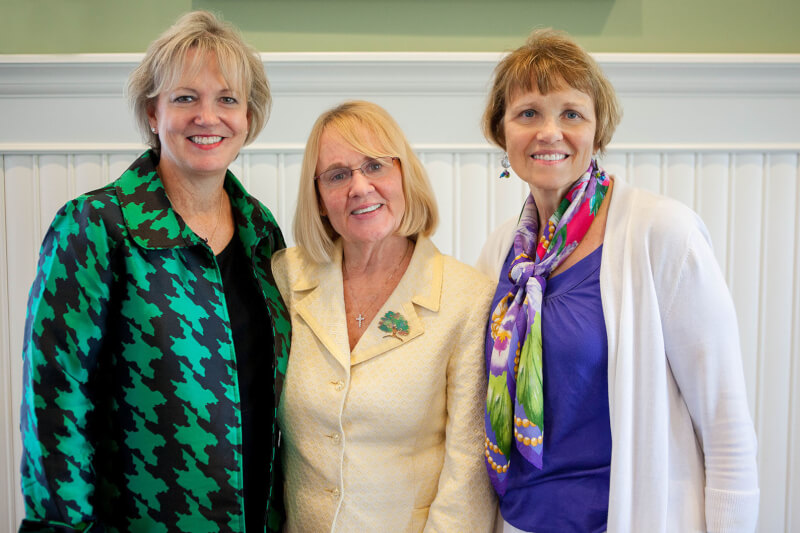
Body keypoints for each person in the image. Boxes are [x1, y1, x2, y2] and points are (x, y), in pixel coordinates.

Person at [477, 29, 759, 532]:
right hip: (516, 522)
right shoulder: (501, 254)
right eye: (528, 113)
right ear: (502, 134)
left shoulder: (663, 233)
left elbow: (725, 421)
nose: (549, 131)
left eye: (571, 113)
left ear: (598, 132)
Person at [19, 11, 290, 532]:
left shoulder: (261, 231)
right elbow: (55, 402)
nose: (207, 117)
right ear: (152, 112)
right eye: (185, 97)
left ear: (249, 118)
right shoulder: (96, 227)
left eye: (227, 99)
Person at [271, 100, 497, 532]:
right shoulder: (285, 279)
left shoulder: (468, 299)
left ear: (404, 176)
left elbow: (467, 473)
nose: (359, 186)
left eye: (375, 166)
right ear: (319, 199)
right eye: (337, 175)